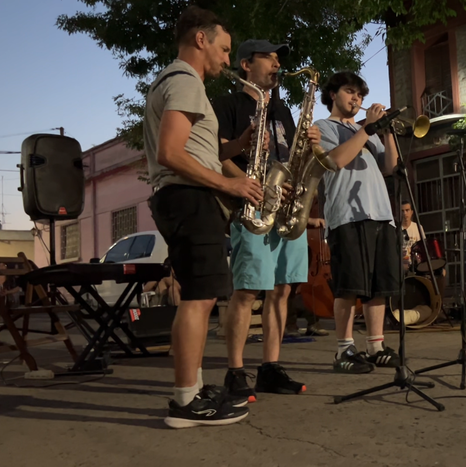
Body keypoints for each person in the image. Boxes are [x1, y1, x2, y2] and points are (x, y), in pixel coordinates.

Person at [144, 5, 262, 428]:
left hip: (183, 198)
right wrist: (229, 184)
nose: (228, 59)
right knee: (198, 300)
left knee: (197, 296)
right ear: (201, 39)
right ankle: (184, 403)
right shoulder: (186, 82)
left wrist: (240, 144)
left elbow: (196, 151)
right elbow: (170, 154)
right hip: (191, 198)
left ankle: (190, 389)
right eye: (225, 49)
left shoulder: (172, 81)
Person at [212, 39, 324, 398]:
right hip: (252, 205)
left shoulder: (282, 110)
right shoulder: (228, 104)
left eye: (279, 59)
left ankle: (270, 368)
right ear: (246, 65)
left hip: (285, 206)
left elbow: (289, 158)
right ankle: (234, 371)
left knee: (282, 290)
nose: (277, 64)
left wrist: (309, 147)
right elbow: (216, 153)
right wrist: (245, 184)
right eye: (269, 58)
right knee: (246, 291)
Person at [312, 71, 401, 373]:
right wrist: (367, 129)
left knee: (379, 287)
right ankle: (344, 349)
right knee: (349, 286)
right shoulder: (322, 127)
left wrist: (386, 132)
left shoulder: (370, 133)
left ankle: (375, 345)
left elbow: (390, 167)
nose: (356, 99)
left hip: (380, 213)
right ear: (333, 95)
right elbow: (336, 160)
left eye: (360, 95)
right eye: (350, 92)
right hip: (347, 214)